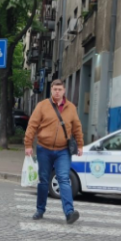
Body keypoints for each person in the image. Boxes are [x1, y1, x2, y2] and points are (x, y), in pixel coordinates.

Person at [23, 79, 83, 224]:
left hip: (63, 151)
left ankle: (69, 212)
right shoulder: (42, 106)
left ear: (64, 91)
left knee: (64, 179)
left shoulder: (71, 108)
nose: (57, 92)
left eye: (59, 89)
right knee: (44, 180)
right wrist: (28, 144)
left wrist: (80, 145)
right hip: (44, 149)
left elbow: (77, 127)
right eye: (55, 89)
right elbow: (32, 125)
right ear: (51, 90)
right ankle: (40, 210)